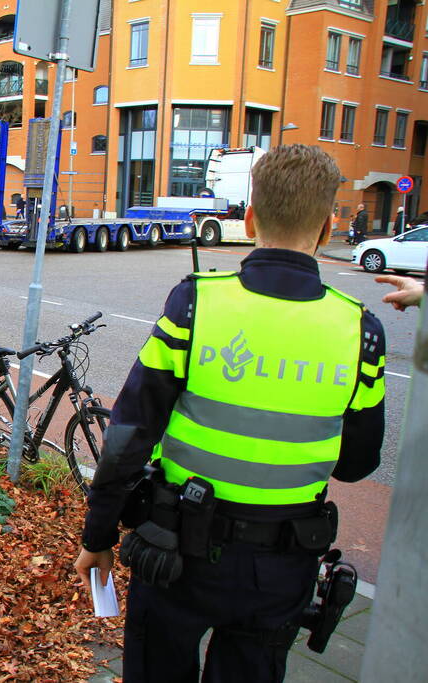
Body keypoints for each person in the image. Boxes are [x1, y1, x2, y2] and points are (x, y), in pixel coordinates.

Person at [74, 145, 385, 683]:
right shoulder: (361, 332)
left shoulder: (196, 306)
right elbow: (356, 465)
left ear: (249, 217)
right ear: (329, 226)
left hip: (175, 556)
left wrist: (98, 536)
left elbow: (129, 436)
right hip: (283, 566)